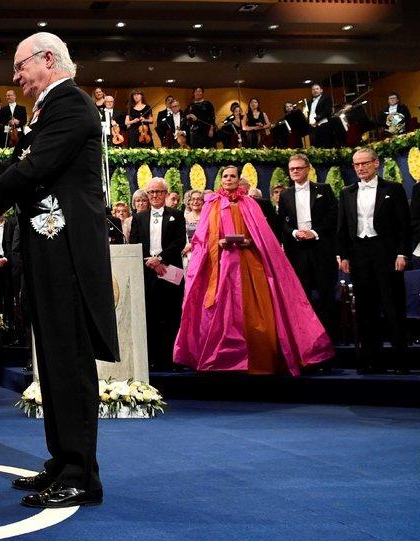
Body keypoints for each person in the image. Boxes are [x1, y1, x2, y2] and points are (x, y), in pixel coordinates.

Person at [0, 31, 120, 509]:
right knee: (54, 363)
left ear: (47, 60)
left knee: (70, 364)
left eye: (20, 66)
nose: (15, 76)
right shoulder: (51, 109)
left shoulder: (72, 105)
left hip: (68, 258)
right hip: (48, 255)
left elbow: (33, 170)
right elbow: (22, 164)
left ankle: (82, 475)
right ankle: (63, 462)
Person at [175, 166, 334, 375]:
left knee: (255, 308)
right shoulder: (211, 204)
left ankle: (258, 356)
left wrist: (249, 241)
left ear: (239, 179)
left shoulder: (249, 203)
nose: (229, 179)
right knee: (221, 310)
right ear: (220, 180)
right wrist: (219, 241)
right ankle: (221, 357)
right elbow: (202, 237)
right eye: (225, 176)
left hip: (248, 261)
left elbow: (263, 235)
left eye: (233, 176)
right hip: (221, 263)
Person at [337, 148, 410, 373]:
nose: (360, 168)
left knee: (393, 307)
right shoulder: (346, 192)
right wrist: (344, 255)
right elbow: (342, 227)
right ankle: (370, 361)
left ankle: (401, 361)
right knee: (366, 309)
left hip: (386, 253)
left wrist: (402, 253)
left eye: (365, 163)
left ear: (376, 163)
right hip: (359, 254)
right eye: (356, 164)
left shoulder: (394, 189)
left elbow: (405, 226)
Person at [277, 154, 338, 340]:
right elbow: (282, 222)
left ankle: (330, 338)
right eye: (292, 169)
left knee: (326, 294)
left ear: (308, 169)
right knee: (301, 296)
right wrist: (295, 232)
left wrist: (315, 232)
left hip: (321, 250)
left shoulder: (324, 189)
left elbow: (333, 216)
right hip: (297, 252)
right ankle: (305, 339)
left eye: (299, 168)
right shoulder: (285, 194)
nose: (295, 171)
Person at [128, 178, 186, 370]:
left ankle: (171, 359)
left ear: (166, 193)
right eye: (151, 192)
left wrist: (160, 259)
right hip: (147, 272)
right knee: (149, 315)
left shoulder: (177, 215)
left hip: (170, 270)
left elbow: (178, 243)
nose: (154, 196)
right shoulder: (139, 218)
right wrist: (151, 262)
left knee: (171, 315)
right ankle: (151, 360)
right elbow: (134, 244)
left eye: (159, 192)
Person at [306, 83, 336, 147]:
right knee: (314, 146)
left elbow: (327, 111)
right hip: (312, 127)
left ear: (321, 90)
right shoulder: (309, 102)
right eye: (313, 89)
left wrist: (316, 120)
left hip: (323, 125)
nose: (315, 91)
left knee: (324, 145)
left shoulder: (326, 98)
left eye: (317, 89)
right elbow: (310, 113)